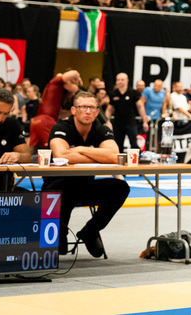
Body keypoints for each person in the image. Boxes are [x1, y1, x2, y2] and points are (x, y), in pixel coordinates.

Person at [46, 91, 130, 257]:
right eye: (83, 107)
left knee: (120, 187)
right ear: (73, 110)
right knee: (66, 188)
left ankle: (90, 231)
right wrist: (98, 155)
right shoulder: (61, 128)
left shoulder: (101, 130)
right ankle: (59, 234)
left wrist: (82, 149)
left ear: (98, 111)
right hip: (57, 187)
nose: (87, 111)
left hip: (84, 187)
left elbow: (115, 157)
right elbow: (61, 156)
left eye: (92, 107)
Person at [30, 70, 83, 148]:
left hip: (37, 121)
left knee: (35, 150)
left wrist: (74, 111)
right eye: (73, 83)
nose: (74, 91)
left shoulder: (57, 93)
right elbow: (74, 73)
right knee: (61, 147)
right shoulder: (56, 82)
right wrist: (79, 80)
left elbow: (59, 115)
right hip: (45, 121)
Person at [106, 72, 142, 150]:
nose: (120, 81)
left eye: (122, 79)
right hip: (118, 123)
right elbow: (109, 109)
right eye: (118, 80)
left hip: (130, 123)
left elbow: (140, 106)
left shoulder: (133, 92)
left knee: (134, 144)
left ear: (127, 80)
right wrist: (106, 121)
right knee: (118, 145)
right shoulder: (113, 93)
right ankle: (119, 161)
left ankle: (136, 160)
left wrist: (145, 120)